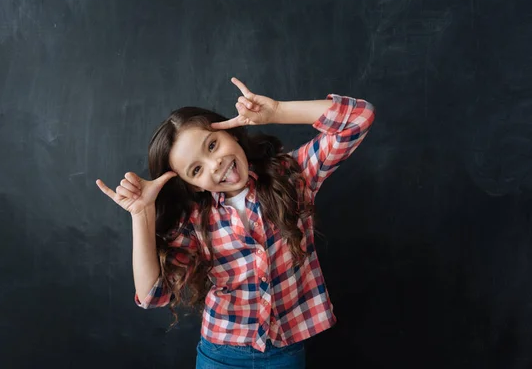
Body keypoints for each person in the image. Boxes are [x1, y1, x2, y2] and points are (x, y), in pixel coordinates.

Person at [96, 78, 375, 368]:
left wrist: (277, 111)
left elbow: (359, 118)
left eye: (212, 145)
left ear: (231, 133)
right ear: (194, 186)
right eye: (196, 169)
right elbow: (153, 295)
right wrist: (142, 213)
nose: (214, 164)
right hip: (221, 354)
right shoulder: (195, 221)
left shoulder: (291, 176)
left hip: (286, 351)